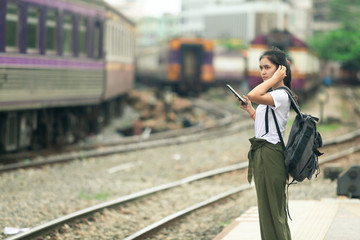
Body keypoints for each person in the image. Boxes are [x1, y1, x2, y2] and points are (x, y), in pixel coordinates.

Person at [238, 47, 292, 240]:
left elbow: (252, 93)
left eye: (267, 67)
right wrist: (251, 111)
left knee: (275, 210)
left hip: (271, 154)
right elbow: (264, 126)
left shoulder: (282, 94)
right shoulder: (273, 94)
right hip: (262, 151)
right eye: (260, 67)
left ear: (280, 69)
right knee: (266, 209)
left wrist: (274, 79)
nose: (262, 72)